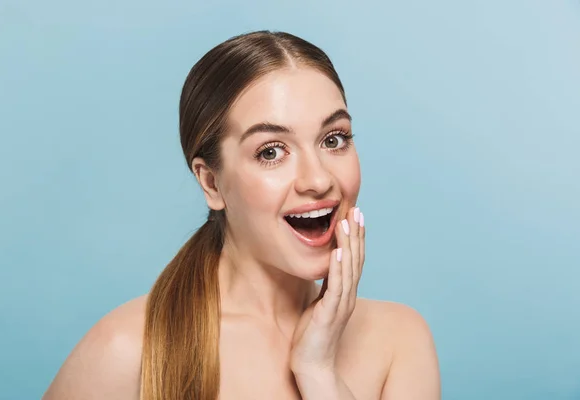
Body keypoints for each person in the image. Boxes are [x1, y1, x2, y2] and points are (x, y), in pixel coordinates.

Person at [43, 30, 440, 400]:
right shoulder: (126, 352)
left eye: (333, 139)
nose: (318, 179)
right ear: (212, 183)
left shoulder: (400, 341)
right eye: (271, 151)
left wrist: (318, 372)